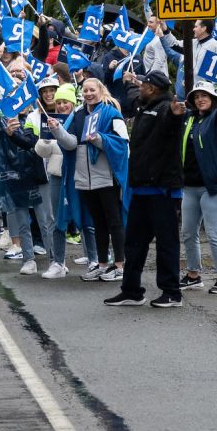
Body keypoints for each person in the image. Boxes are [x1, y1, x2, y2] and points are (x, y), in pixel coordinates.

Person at [105, 70, 186, 308]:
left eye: (144, 84)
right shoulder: (144, 106)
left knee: (167, 243)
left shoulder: (165, 109)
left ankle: (172, 293)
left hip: (163, 190)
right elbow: (132, 94)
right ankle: (131, 290)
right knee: (134, 243)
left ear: (153, 88)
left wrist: (174, 114)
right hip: (141, 189)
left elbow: (169, 122)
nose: (140, 88)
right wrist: (130, 80)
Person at [0, 81, 51, 275]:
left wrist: (17, 133)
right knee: (22, 221)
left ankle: (55, 260)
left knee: (46, 220)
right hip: (12, 176)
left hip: (36, 174)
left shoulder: (32, 118)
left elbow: (34, 142)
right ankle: (29, 260)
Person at [57, 78, 129, 283]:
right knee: (98, 223)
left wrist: (99, 139)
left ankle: (120, 265)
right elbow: (71, 144)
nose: (88, 93)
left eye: (92, 90)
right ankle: (103, 264)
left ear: (100, 90)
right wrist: (57, 130)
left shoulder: (111, 113)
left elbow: (123, 144)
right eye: (85, 90)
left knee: (114, 221)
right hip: (84, 179)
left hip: (106, 177)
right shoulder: (78, 114)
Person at [180, 78, 217, 295]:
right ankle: (193, 275)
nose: (200, 99)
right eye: (196, 96)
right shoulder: (190, 119)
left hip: (214, 184)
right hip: (190, 185)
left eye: (204, 95)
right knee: (187, 232)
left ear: (213, 99)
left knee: (214, 231)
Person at [34, 82, 75, 278]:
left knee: (87, 219)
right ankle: (57, 262)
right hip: (56, 174)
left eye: (65, 101)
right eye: (59, 102)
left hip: (78, 175)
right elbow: (41, 151)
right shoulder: (47, 119)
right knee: (55, 220)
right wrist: (46, 140)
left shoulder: (80, 118)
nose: (61, 105)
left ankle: (97, 259)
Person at [160, 18, 217, 99]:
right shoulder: (192, 43)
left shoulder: (215, 46)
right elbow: (174, 44)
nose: (193, 29)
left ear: (204, 28)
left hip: (206, 94)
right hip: (190, 92)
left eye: (196, 27)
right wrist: (165, 29)